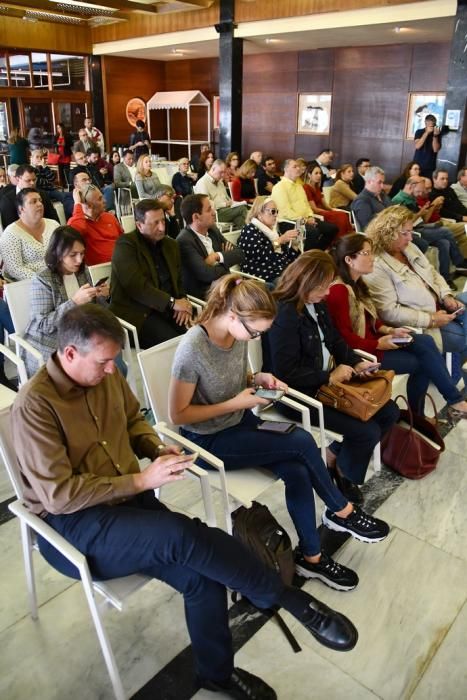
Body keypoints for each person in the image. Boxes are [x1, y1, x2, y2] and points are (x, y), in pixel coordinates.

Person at [12, 303, 359, 700]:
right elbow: (59, 496)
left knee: (202, 575)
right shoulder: (35, 406)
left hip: (127, 506)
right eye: (105, 362)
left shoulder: (105, 375)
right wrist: (140, 479)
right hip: (74, 527)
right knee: (182, 535)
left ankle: (216, 674)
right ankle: (289, 599)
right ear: (70, 354)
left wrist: (156, 449)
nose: (113, 370)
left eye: (115, 361)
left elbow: (132, 420)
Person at [169, 273, 390, 592]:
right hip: (206, 441)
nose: (255, 339)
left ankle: (311, 559)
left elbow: (233, 377)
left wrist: (258, 378)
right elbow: (179, 414)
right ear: (232, 315)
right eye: (254, 332)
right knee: (300, 441)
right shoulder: (193, 348)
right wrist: (234, 403)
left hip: (238, 424)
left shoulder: (234, 335)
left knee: (298, 469)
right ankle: (342, 510)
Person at [263, 251, 399, 503]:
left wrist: (356, 362)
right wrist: (329, 376)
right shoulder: (285, 314)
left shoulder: (317, 304)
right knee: (366, 432)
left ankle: (333, 456)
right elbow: (285, 373)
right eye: (323, 287)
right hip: (298, 394)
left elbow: (335, 340)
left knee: (389, 411)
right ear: (305, 282)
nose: (327, 293)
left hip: (329, 384)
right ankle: (343, 475)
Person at [327, 234, 467, 418]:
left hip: (373, 340)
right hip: (361, 353)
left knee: (424, 341)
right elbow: (344, 337)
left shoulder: (357, 282)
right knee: (421, 363)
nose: (372, 258)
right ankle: (428, 411)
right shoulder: (338, 290)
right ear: (349, 260)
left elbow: (371, 318)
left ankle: (446, 403)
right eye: (367, 253)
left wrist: (390, 330)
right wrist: (379, 344)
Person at [364, 205, 467, 408]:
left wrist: (446, 295)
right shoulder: (376, 265)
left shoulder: (407, 247)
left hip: (438, 304)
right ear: (387, 232)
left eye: (411, 231)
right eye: (405, 233)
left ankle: (447, 374)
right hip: (420, 319)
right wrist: (431, 319)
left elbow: (433, 273)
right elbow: (389, 312)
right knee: (460, 337)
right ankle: (444, 375)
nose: (411, 238)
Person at [22, 225, 110, 376]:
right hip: (52, 342)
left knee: (114, 362)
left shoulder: (81, 272)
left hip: (81, 335)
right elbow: (42, 325)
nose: (79, 260)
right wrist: (74, 302)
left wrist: (102, 295)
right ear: (58, 253)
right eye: (73, 255)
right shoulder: (43, 280)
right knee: (94, 368)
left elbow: (94, 309)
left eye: (82, 254)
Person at [110, 199, 192, 348]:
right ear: (139, 225)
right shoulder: (126, 245)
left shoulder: (171, 245)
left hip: (168, 308)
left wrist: (183, 302)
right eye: (155, 223)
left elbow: (179, 281)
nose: (162, 228)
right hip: (138, 313)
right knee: (176, 344)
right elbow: (135, 286)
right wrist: (173, 303)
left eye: (163, 221)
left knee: (197, 335)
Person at [392, 176, 467, 287]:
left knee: (444, 243)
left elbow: (424, 220)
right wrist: (420, 213)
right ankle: (459, 262)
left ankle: (445, 278)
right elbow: (405, 224)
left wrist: (426, 210)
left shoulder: (412, 198)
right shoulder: (399, 200)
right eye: (419, 191)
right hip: (412, 232)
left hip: (421, 227)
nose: (420, 193)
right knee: (446, 232)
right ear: (411, 186)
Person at [177, 194, 245, 299]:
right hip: (207, 293)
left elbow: (240, 254)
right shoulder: (184, 240)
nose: (214, 213)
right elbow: (206, 274)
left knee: (264, 290)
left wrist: (217, 256)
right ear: (196, 217)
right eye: (209, 210)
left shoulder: (212, 230)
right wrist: (226, 260)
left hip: (226, 284)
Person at [271, 159, 338, 250]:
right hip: (288, 221)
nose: (298, 169)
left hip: (305, 219)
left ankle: (316, 252)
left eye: (298, 166)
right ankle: (306, 257)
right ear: (286, 169)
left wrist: (310, 216)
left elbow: (306, 205)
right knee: (313, 232)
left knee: (332, 229)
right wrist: (305, 220)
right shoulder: (279, 187)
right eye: (295, 167)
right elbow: (286, 212)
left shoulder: (299, 186)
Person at [237, 196, 300, 287]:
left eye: (276, 211)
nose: (275, 215)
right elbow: (259, 255)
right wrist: (280, 240)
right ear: (259, 213)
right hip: (263, 275)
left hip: (280, 271)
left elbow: (286, 257)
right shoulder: (249, 230)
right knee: (293, 284)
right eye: (272, 211)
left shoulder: (273, 231)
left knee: (308, 275)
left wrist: (294, 246)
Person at [0, 188, 58, 281]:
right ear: (21, 208)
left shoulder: (53, 225)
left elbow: (64, 253)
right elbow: (15, 269)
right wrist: (43, 281)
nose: (39, 204)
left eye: (40, 200)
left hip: (57, 278)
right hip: (26, 284)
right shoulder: (11, 233)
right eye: (33, 202)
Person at [67, 184, 122, 265]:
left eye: (102, 196)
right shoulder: (78, 222)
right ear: (89, 205)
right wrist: (77, 203)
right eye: (100, 199)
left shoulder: (110, 217)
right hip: (101, 272)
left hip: (123, 262)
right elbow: (76, 229)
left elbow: (123, 239)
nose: (105, 200)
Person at [0, 164, 59, 228]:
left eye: (34, 180)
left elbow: (54, 219)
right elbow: (9, 227)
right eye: (28, 180)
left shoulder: (42, 194)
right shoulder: (7, 199)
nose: (32, 183)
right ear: (18, 179)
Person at [303, 162, 353, 238]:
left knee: (342, 214)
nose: (319, 175)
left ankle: (348, 238)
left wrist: (333, 211)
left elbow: (326, 205)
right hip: (316, 214)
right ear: (309, 175)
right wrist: (329, 212)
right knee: (341, 216)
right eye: (316, 173)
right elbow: (314, 209)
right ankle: (340, 240)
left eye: (320, 173)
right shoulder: (306, 187)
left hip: (323, 211)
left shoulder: (317, 188)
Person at [194, 160, 248, 229]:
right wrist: (224, 204)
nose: (223, 175)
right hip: (215, 213)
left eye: (224, 172)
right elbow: (205, 206)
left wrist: (234, 203)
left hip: (227, 210)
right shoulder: (202, 183)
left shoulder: (220, 182)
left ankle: (245, 236)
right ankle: (254, 232)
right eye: (221, 172)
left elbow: (227, 198)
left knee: (240, 217)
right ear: (213, 169)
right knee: (242, 209)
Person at [350, 166, 392, 231]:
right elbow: (368, 227)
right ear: (369, 182)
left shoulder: (381, 194)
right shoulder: (362, 200)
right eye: (379, 182)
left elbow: (393, 209)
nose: (382, 186)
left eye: (383, 182)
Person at [55, 122, 73, 188]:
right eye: (57, 128)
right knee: (61, 171)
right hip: (59, 156)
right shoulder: (56, 136)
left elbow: (71, 144)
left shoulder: (67, 135)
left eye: (59, 127)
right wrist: (57, 144)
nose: (58, 129)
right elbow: (53, 144)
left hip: (66, 155)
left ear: (62, 128)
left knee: (67, 170)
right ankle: (62, 184)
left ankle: (68, 184)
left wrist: (65, 144)